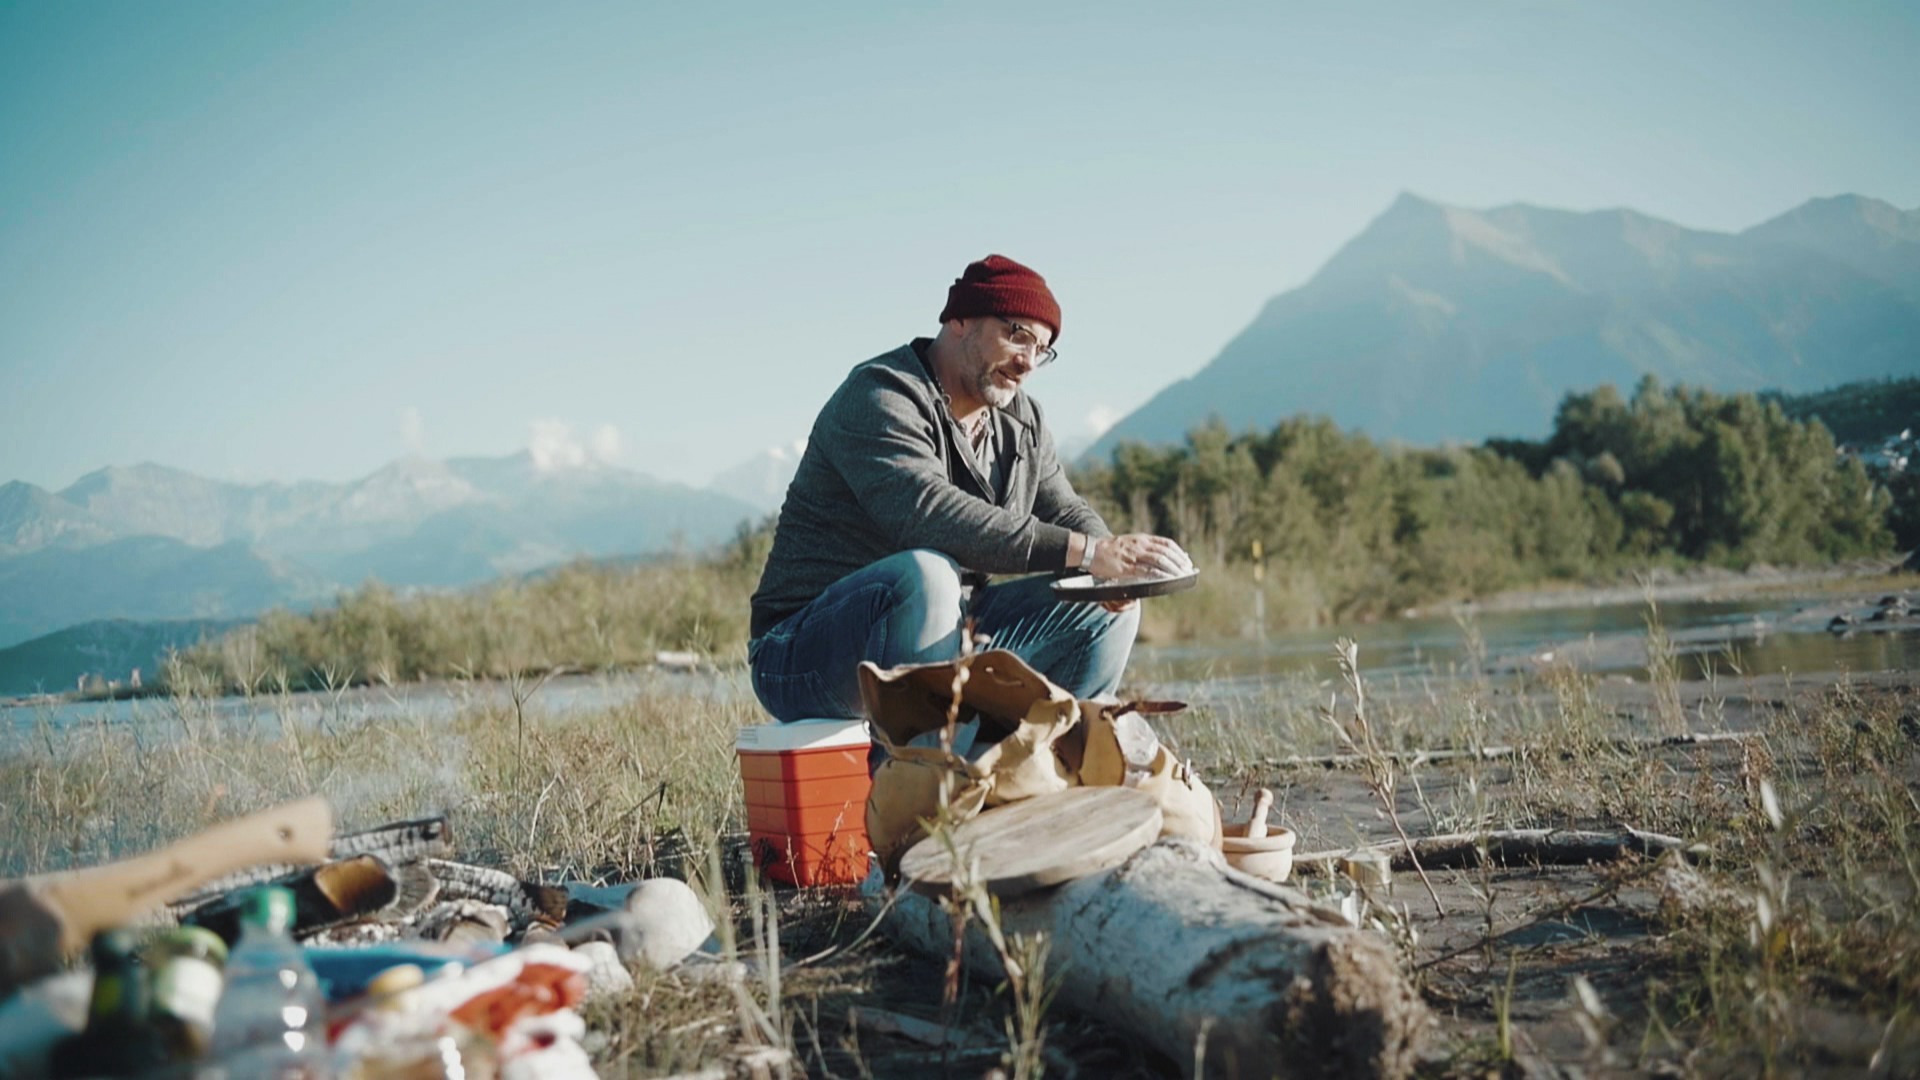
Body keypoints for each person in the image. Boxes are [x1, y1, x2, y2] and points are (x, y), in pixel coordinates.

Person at [747, 254, 1192, 734]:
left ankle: (1052, 780)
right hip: (803, 652)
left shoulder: (1023, 420)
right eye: (1017, 334)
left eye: (1042, 349)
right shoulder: (880, 395)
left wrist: (1115, 571)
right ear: (959, 320)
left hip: (950, 634)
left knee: (1101, 609)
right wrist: (1089, 553)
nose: (1027, 362)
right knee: (928, 575)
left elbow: (1064, 508)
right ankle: (931, 786)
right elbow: (927, 513)